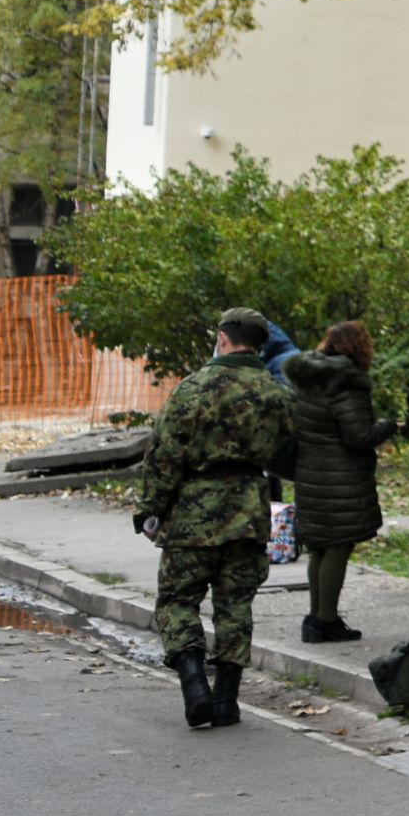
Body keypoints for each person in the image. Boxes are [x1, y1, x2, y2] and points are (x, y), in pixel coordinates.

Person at [137, 307, 295, 729]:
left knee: (177, 601)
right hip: (247, 514)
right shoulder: (277, 393)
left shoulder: (194, 387)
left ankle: (194, 686)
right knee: (235, 606)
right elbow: (288, 452)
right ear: (259, 344)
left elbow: (165, 453)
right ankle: (226, 700)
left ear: (223, 338)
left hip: (192, 514)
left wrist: (150, 507)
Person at [279, 320, 388, 644]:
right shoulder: (346, 382)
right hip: (340, 479)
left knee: (319, 548)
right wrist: (386, 426)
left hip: (310, 473)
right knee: (339, 545)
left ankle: (315, 618)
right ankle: (327, 620)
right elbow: (358, 436)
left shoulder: (306, 377)